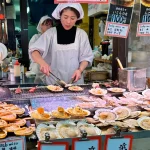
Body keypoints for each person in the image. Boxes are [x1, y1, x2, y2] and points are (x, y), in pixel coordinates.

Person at [29, 3, 93, 85]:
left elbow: (86, 57)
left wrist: (80, 70)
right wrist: (42, 63)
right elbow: (34, 51)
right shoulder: (50, 34)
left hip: (75, 82)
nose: (68, 21)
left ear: (77, 18)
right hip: (54, 82)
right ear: (60, 16)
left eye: (72, 18)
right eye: (65, 17)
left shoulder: (81, 34)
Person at [29, 15, 53, 83]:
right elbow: (33, 52)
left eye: (50, 25)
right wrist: (42, 62)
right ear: (40, 26)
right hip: (38, 68)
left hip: (50, 69)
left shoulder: (53, 39)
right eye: (46, 25)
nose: (49, 27)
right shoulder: (36, 37)